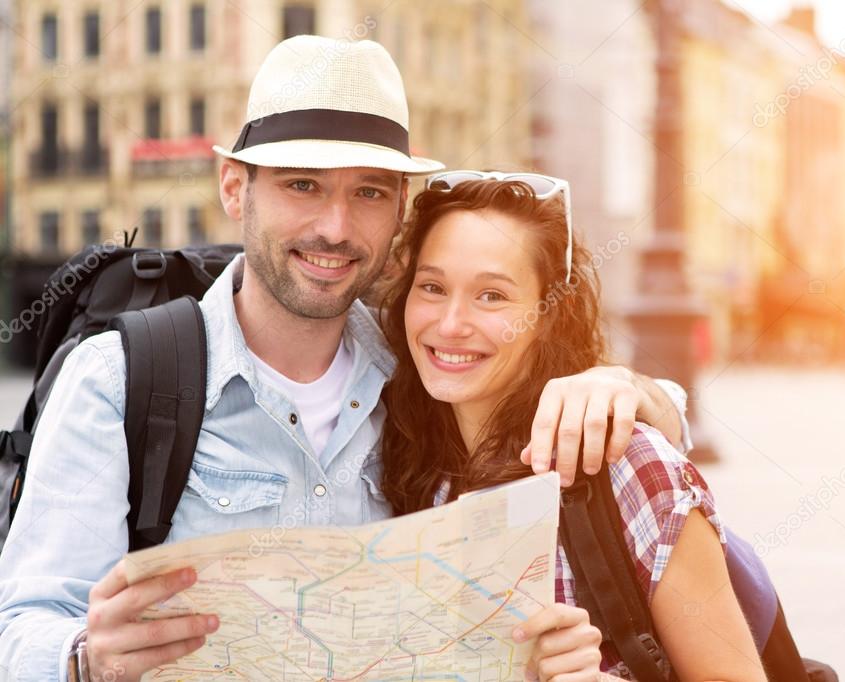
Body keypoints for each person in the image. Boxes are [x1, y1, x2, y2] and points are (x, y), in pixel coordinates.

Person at [0, 37, 691, 680]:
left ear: (399, 211)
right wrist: (84, 659)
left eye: (367, 192)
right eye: (302, 185)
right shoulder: (119, 379)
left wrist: (628, 386)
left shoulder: (424, 369)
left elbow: (580, 438)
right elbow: (19, 627)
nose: (334, 227)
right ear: (235, 187)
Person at [378, 173, 768, 681]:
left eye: (492, 296)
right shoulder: (410, 460)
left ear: (547, 315)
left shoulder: (625, 464)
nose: (450, 323)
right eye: (432, 287)